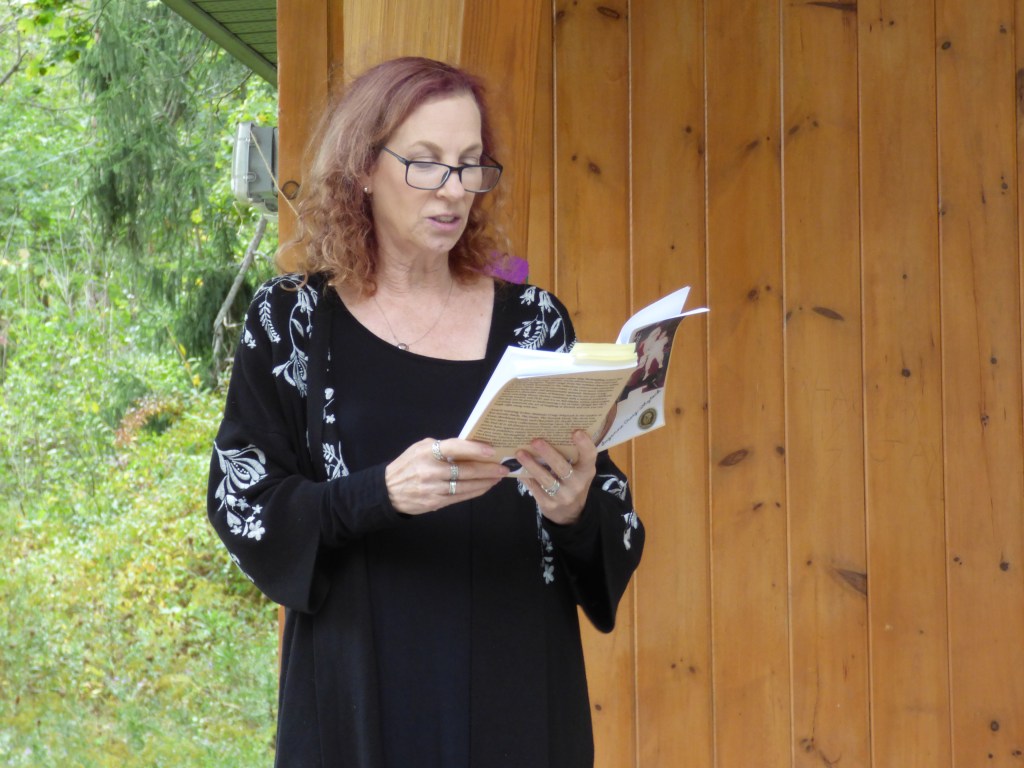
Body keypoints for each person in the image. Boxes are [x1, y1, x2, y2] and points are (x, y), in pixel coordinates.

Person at [207, 56, 644, 768]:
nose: (454, 189)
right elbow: (243, 500)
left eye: (470, 164)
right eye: (427, 163)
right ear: (363, 168)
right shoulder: (293, 320)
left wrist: (574, 508)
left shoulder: (534, 322)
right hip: (361, 695)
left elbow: (610, 518)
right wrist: (379, 493)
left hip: (518, 693)